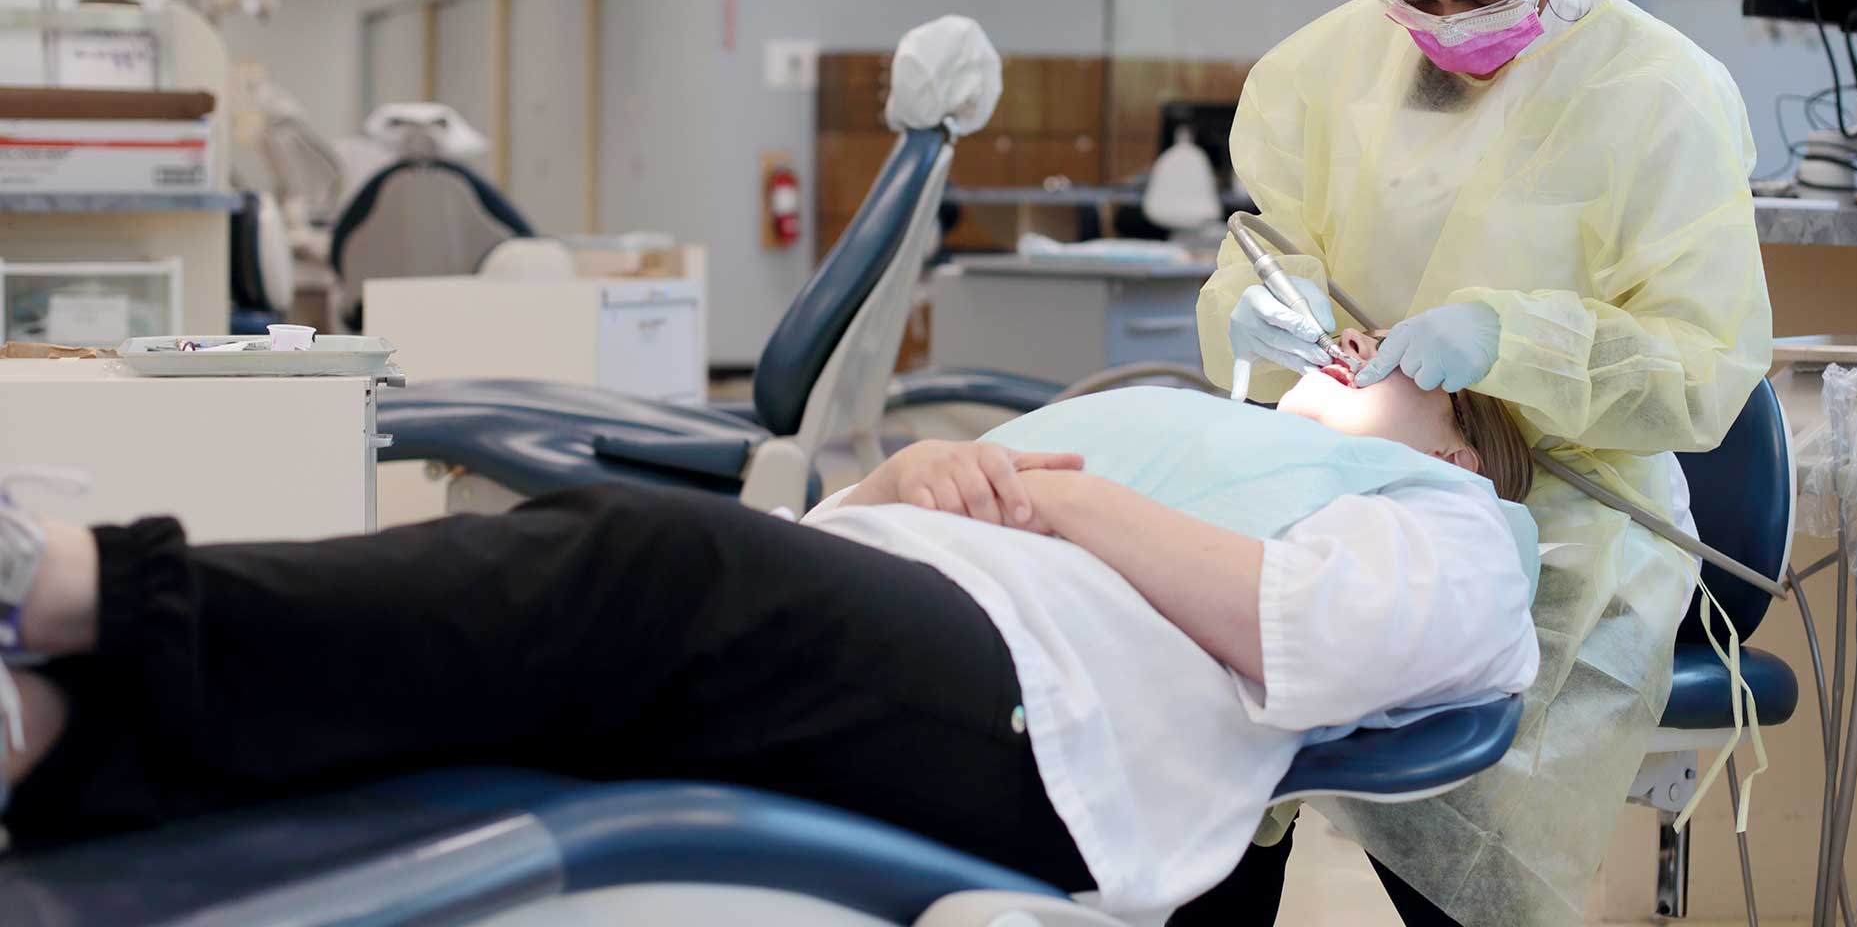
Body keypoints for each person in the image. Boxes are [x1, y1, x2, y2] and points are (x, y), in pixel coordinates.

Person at [0, 370, 1536, 924]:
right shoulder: (1184, 413)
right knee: (516, 681)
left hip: (1037, 726)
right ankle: (48, 736)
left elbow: (1312, 636)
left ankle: (70, 587)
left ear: (1471, 449)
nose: (1360, 347)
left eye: (1410, 366)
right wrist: (908, 475)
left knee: (648, 560)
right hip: (898, 618)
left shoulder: (1453, 525)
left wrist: (1077, 510)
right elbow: (872, 527)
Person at [1192, 0, 1772, 927]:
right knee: (1205, 768)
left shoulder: (1660, 96)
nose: (1443, 23)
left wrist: (1511, 341)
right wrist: (1260, 319)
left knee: (1466, 840)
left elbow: (1702, 367)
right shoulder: (1315, 74)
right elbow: (1261, 257)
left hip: (1562, 528)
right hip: (1326, 499)